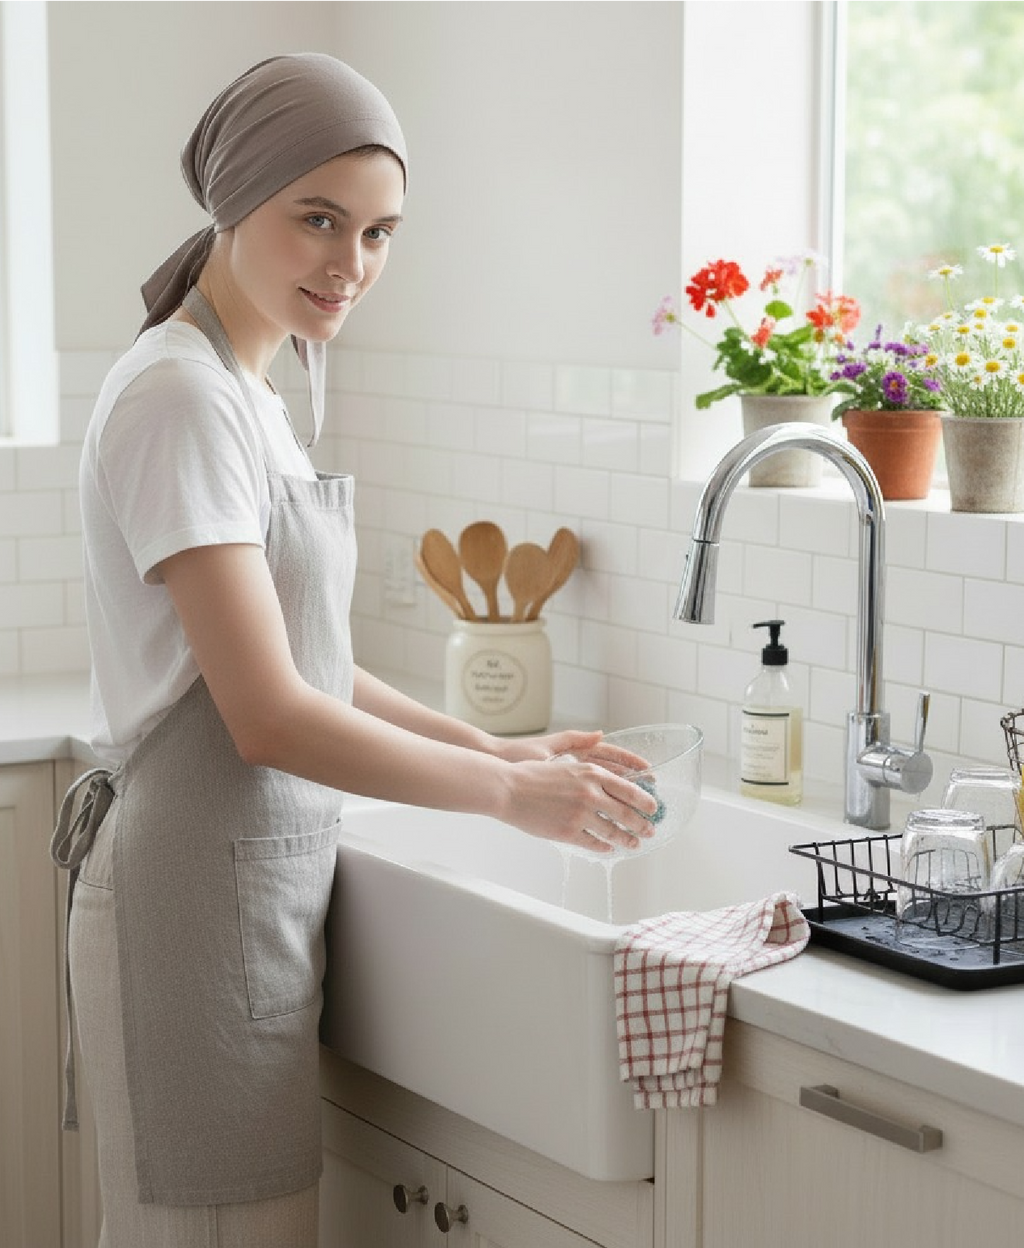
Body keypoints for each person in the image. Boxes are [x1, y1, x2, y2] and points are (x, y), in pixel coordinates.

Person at [50, 52, 657, 1247]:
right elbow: (267, 715)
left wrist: (489, 740)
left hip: (251, 893)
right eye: (317, 219)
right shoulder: (180, 398)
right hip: (191, 905)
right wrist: (505, 792)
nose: (352, 264)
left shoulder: (249, 391)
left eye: (380, 232)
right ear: (233, 204)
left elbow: (307, 658)